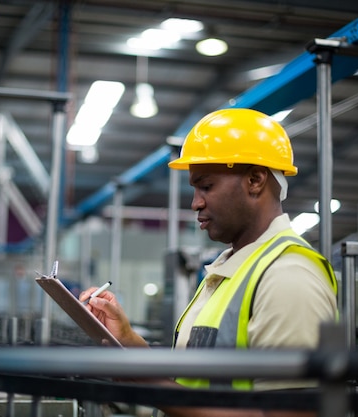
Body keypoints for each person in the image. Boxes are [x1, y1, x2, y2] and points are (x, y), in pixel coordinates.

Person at [79, 108, 338, 417]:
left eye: (206, 186)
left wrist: (150, 383)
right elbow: (192, 379)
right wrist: (127, 340)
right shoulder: (233, 267)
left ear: (255, 179)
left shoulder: (288, 275)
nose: (195, 203)